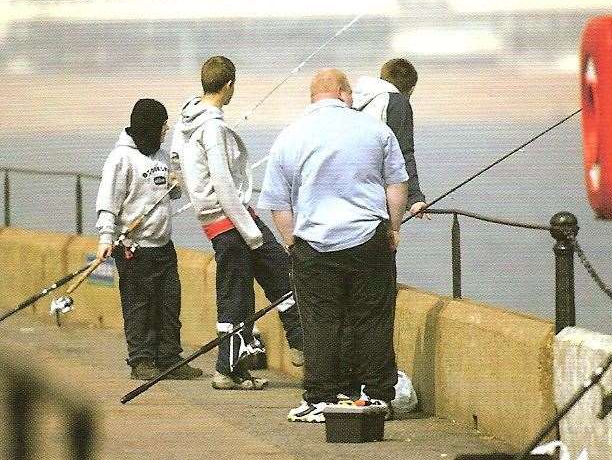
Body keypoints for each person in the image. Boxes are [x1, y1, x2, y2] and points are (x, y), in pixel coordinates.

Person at [258, 68, 408, 423]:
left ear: (314, 96)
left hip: (313, 242)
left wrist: (292, 243)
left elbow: (279, 203)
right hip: (367, 237)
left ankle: (320, 396)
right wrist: (393, 228)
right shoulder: (375, 129)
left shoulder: (290, 136)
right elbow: (396, 184)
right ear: (343, 93)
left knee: (319, 322)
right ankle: (375, 395)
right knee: (372, 318)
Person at [170, 56, 304, 391]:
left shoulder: (186, 119)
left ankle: (240, 366)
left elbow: (175, 159)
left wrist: (190, 186)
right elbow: (225, 185)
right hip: (231, 220)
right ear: (229, 84)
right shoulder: (212, 128)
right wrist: (252, 233)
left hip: (217, 220)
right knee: (250, 286)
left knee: (247, 290)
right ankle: (235, 366)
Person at [95, 98, 203, 381]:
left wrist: (176, 185)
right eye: (162, 125)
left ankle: (169, 358)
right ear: (149, 127)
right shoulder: (121, 159)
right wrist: (106, 237)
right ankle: (141, 360)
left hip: (163, 247)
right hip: (134, 249)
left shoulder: (161, 156)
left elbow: (171, 194)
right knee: (138, 305)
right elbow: (108, 202)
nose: (166, 130)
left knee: (169, 303)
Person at [352, 58, 427, 218]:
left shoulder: (354, 100)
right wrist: (414, 198)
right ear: (411, 89)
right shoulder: (397, 102)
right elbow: (403, 152)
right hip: (371, 197)